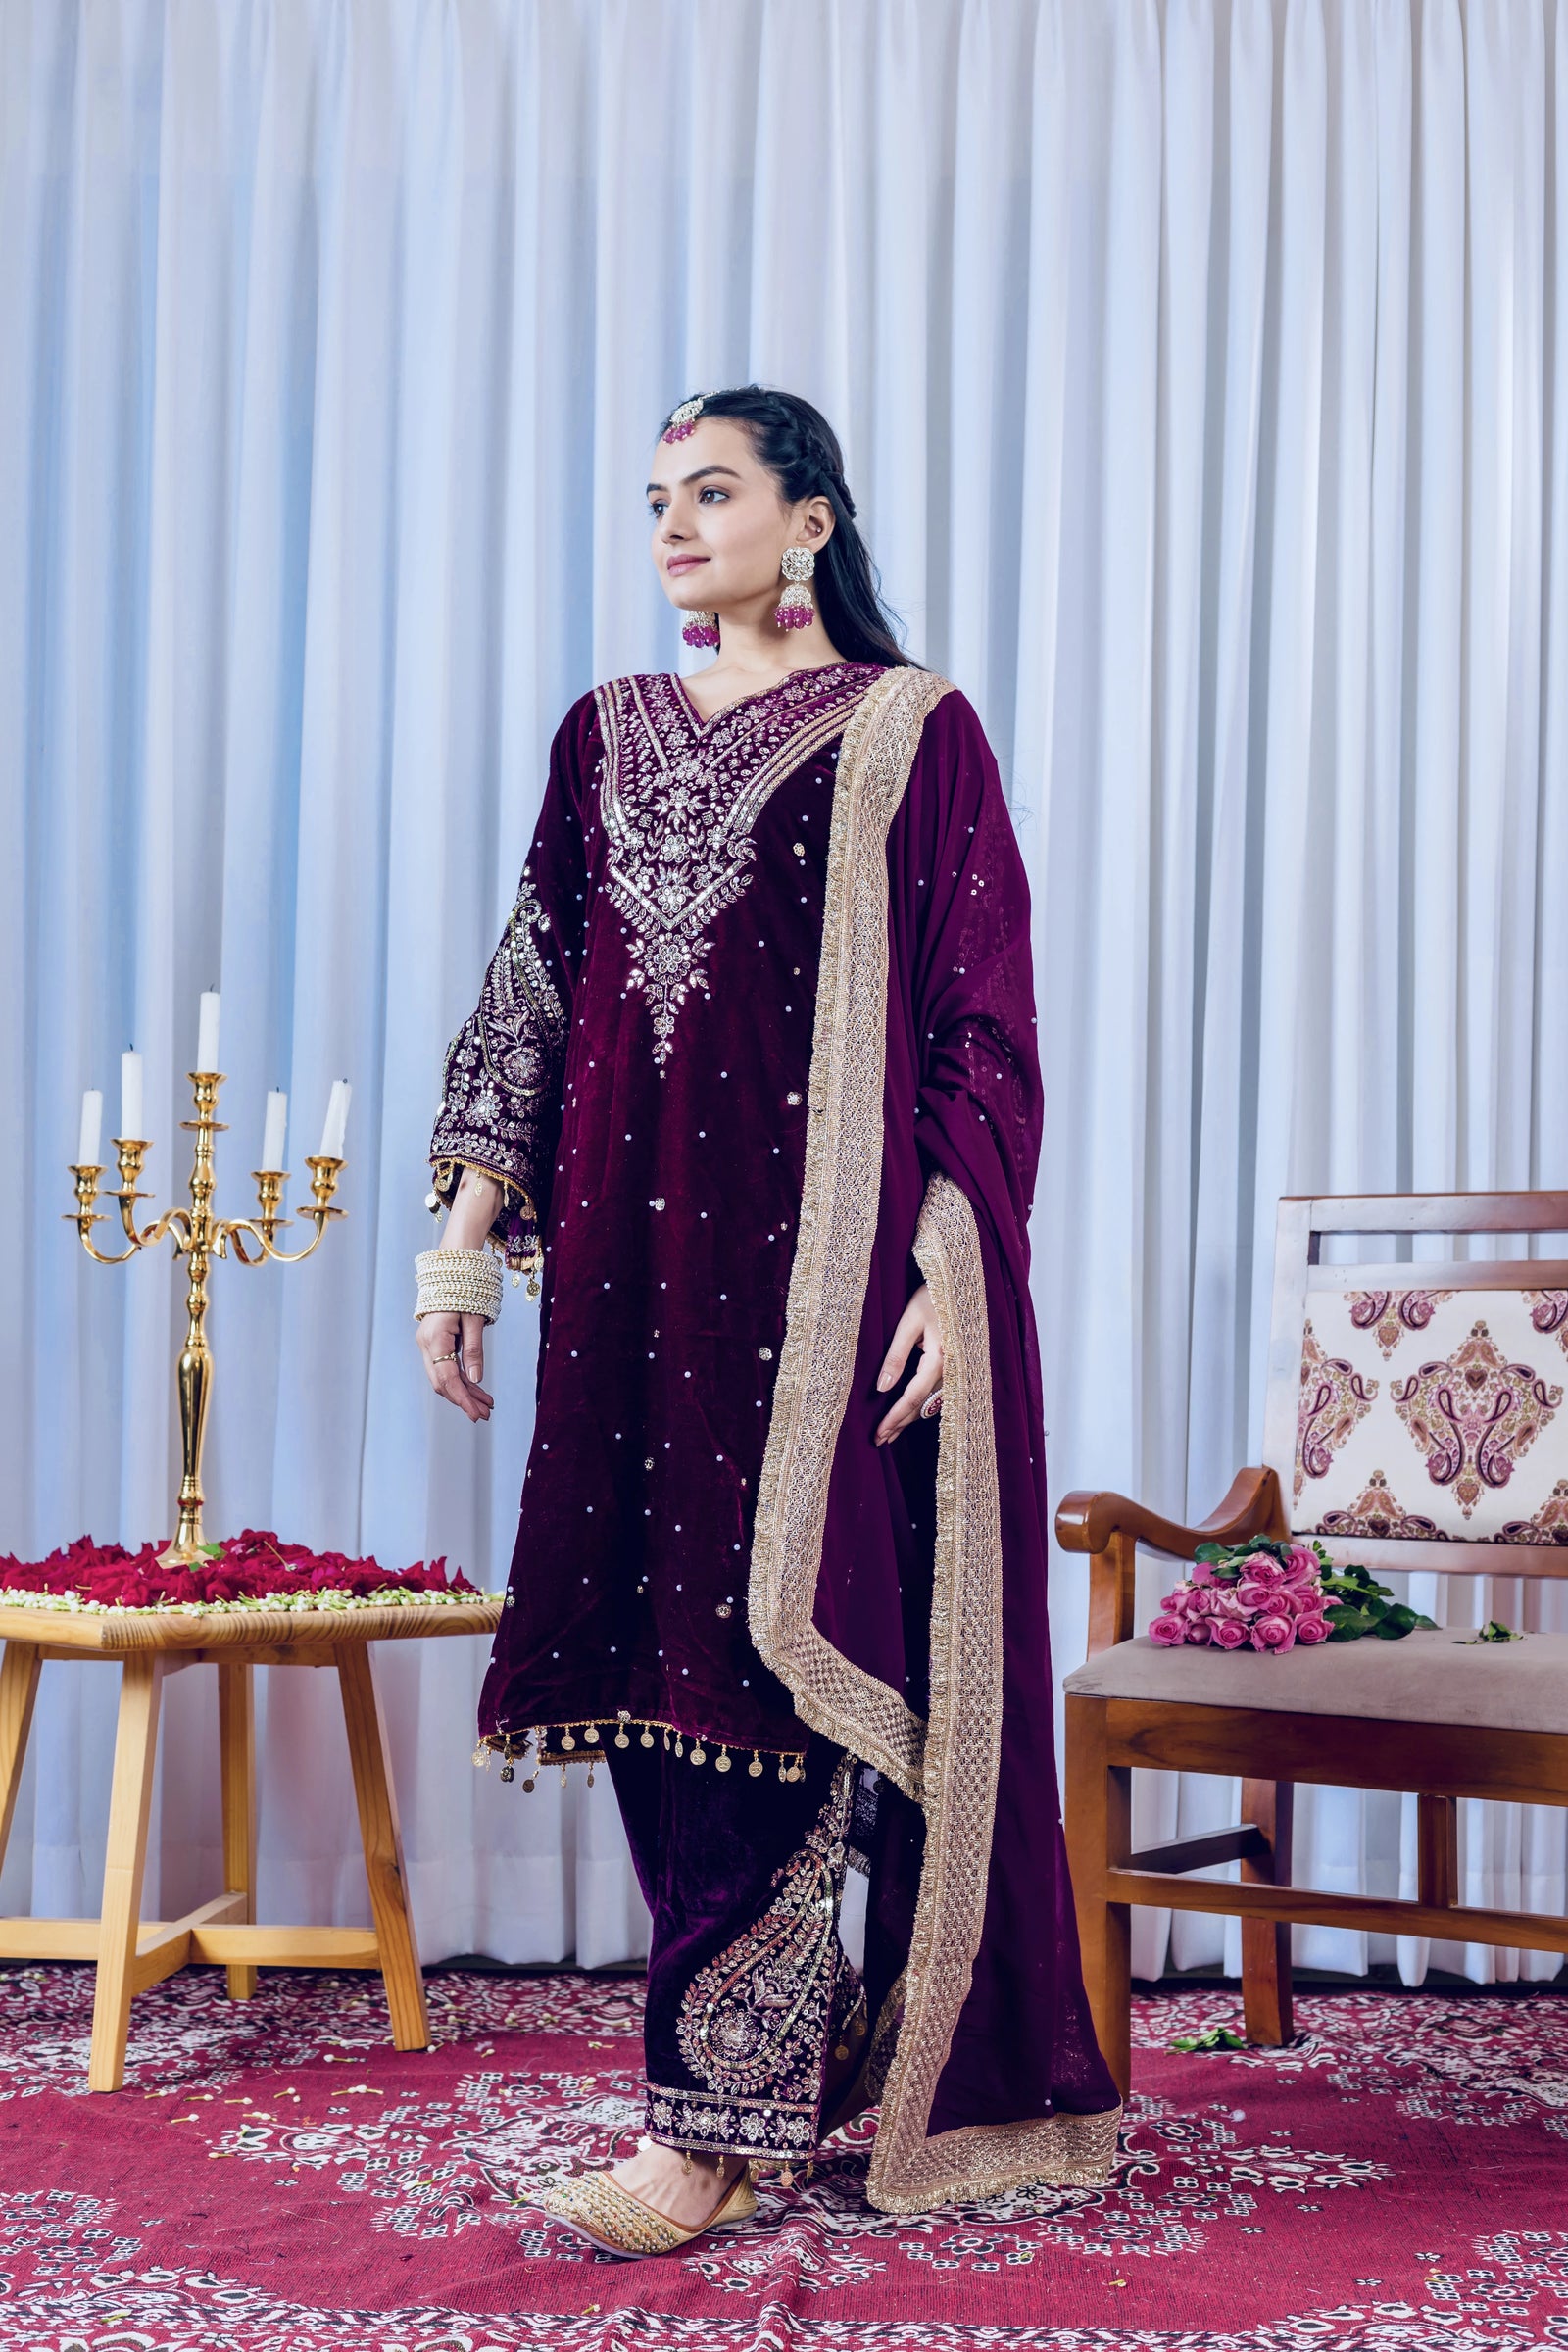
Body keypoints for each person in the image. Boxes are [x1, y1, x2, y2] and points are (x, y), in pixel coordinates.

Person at [414, 384, 1120, 2254]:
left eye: (711, 491)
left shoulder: (910, 732)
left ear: (809, 520)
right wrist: (465, 1235)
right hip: (626, 1287)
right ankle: (762, 2064)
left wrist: (953, 1270)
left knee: (773, 1656)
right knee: (652, 1659)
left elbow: (984, 1027)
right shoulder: (603, 731)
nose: (673, 525)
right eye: (656, 497)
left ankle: (712, 2124)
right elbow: (536, 975)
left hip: (820, 1295)